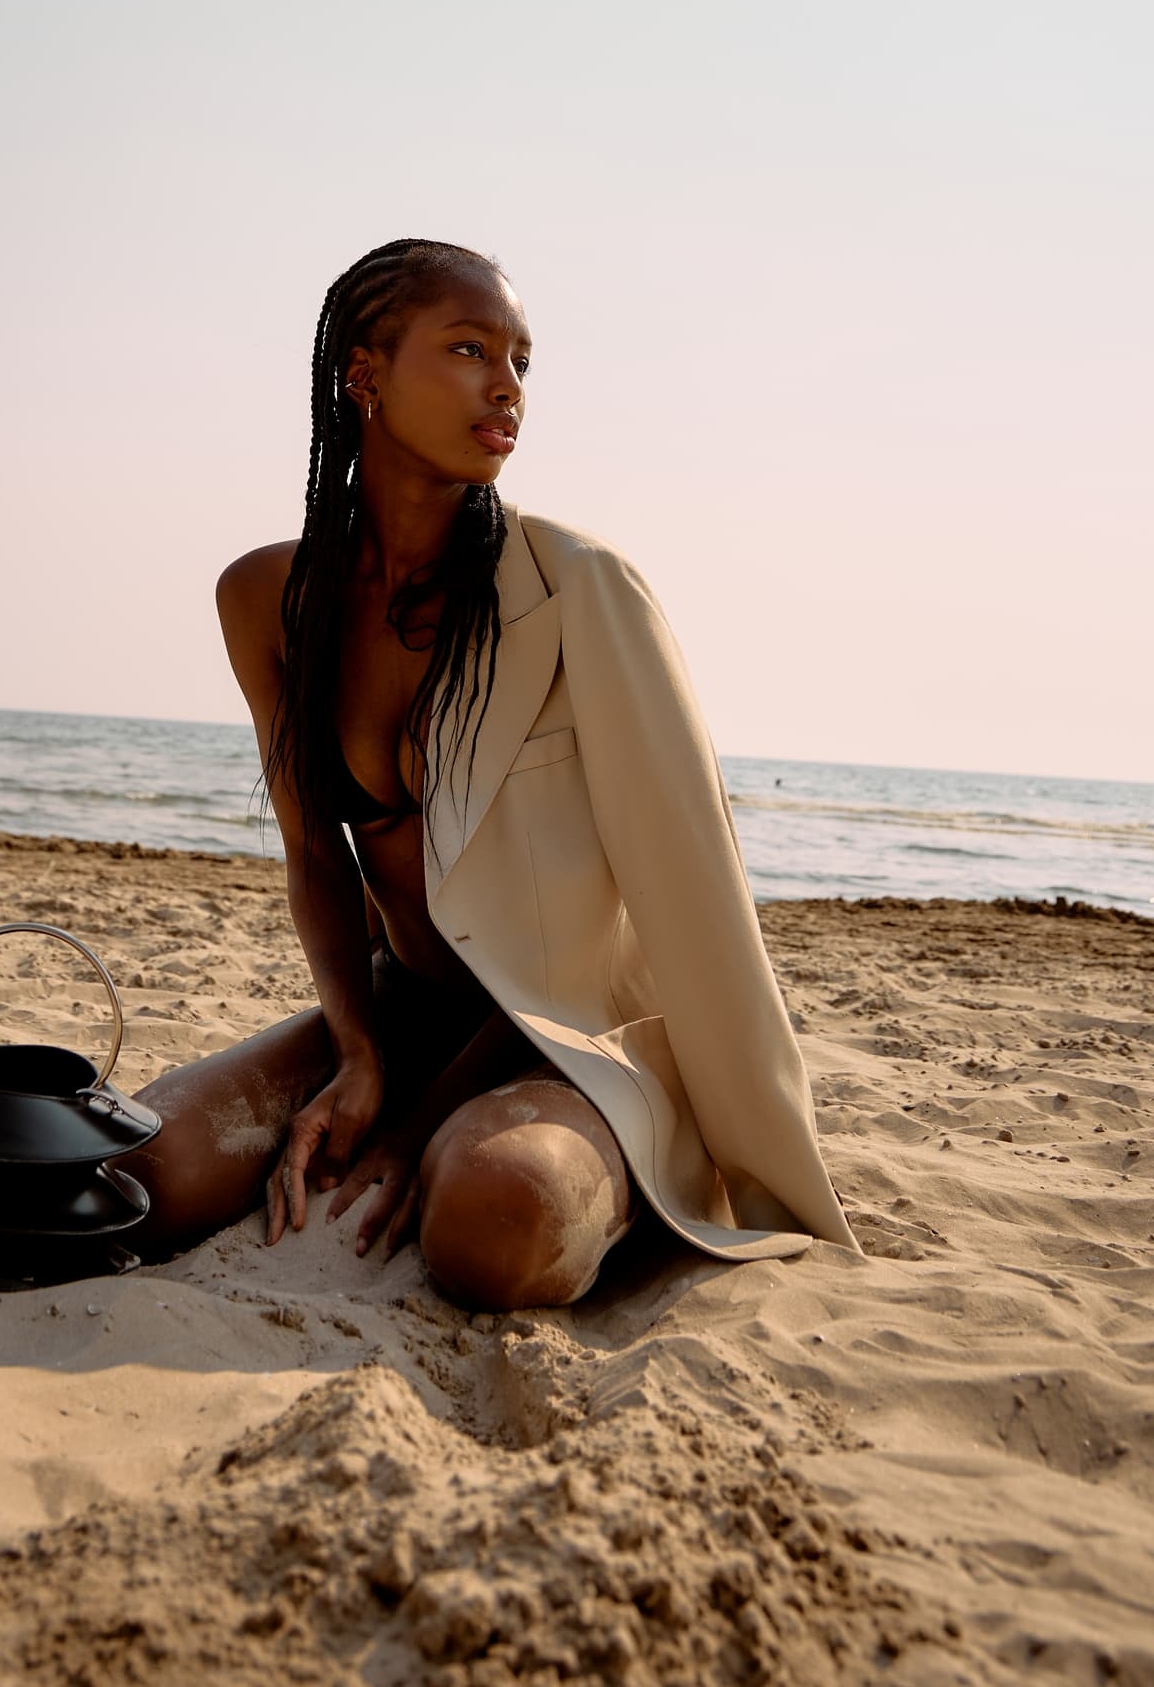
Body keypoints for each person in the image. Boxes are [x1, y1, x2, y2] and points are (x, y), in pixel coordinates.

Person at [119, 238, 859, 1309]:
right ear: (362, 375)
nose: (504, 385)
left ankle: (543, 1162)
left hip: (571, 1033)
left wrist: (418, 1129)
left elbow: (679, 898)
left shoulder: (579, 592)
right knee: (146, 1177)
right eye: (469, 349)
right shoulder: (269, 599)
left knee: (491, 1220)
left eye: (520, 361)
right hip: (400, 1008)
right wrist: (360, 1055)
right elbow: (311, 855)